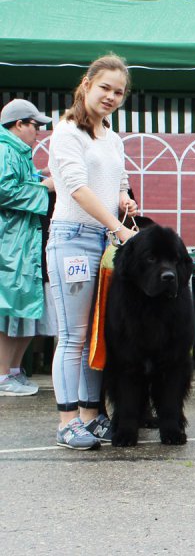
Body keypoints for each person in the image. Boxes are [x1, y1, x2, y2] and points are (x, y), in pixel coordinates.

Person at [47, 55, 138, 450]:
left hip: (104, 242)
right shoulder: (67, 131)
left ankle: (91, 414)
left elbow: (118, 181)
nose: (111, 97)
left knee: (96, 335)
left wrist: (125, 202)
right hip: (72, 239)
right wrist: (117, 226)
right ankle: (67, 420)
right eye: (105, 88)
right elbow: (78, 189)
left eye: (118, 92)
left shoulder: (112, 137)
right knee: (73, 336)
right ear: (86, 84)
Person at [0, 99, 53, 396]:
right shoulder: (5, 150)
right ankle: (3, 376)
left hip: (21, 242)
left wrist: (38, 178)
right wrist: (45, 187)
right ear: (18, 124)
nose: (39, 132)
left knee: (22, 308)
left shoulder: (17, 152)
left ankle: (14, 371)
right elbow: (4, 190)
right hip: (9, 242)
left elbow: (18, 183)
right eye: (35, 125)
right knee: (7, 309)